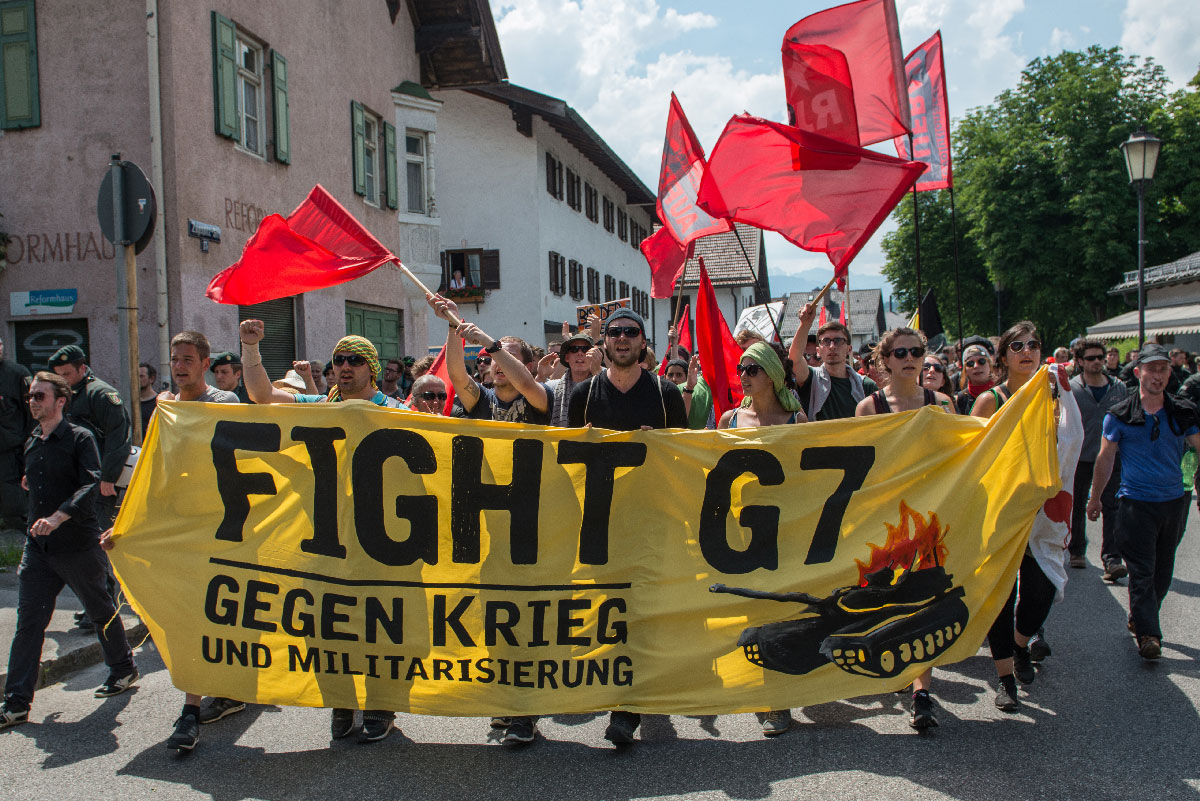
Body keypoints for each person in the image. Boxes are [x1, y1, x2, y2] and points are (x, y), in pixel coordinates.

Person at [240, 320, 406, 744]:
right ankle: (340, 701)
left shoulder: (396, 410)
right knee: (326, 625)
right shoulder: (319, 403)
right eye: (338, 360)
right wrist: (251, 347)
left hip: (379, 538)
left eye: (353, 360)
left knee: (380, 624)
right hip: (326, 535)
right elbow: (262, 396)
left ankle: (381, 704)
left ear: (370, 367)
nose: (344, 367)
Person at [567, 308, 686, 746]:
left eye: (630, 333)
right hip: (599, 519)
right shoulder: (583, 394)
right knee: (608, 610)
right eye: (615, 332)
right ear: (606, 342)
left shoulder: (666, 393)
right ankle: (623, 691)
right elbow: (568, 458)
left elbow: (685, 459)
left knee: (642, 611)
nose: (621, 338)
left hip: (652, 520)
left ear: (642, 342)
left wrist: (658, 446)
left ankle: (629, 705)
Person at [1, 371, 138, 732]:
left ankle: (123, 668)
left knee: (100, 612)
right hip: (38, 550)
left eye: (40, 397)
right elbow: (34, 482)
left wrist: (60, 515)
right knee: (29, 624)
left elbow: (91, 482)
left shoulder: (80, 437)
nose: (33, 402)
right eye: (31, 396)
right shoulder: (33, 441)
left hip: (77, 544)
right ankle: (16, 704)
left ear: (60, 401)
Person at [856, 328, 952, 730]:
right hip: (887, 521)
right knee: (889, 601)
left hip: (931, 516)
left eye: (916, 352)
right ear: (885, 360)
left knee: (925, 602)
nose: (910, 358)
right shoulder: (869, 408)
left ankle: (921, 693)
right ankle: (899, 664)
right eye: (900, 353)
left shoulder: (943, 403)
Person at [1088, 343, 1200, 660]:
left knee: (1163, 573)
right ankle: (1149, 635)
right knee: (1142, 572)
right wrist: (1095, 498)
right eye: (1151, 369)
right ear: (1138, 372)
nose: (1158, 375)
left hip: (1174, 503)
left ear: (1169, 373)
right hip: (1135, 504)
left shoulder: (1183, 411)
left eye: (1163, 369)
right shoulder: (1121, 414)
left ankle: (1141, 616)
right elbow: (1105, 459)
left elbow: (1198, 449)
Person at [719, 343, 806, 736]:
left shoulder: (796, 419)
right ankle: (769, 694)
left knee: (783, 609)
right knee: (755, 610)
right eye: (741, 368)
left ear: (771, 373)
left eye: (752, 368)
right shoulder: (730, 417)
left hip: (788, 527)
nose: (744, 375)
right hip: (743, 531)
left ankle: (779, 697)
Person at [972, 322, 1058, 710]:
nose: (1027, 351)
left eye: (1034, 345)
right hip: (1002, 510)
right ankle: (1005, 677)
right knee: (1001, 596)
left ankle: (1022, 644)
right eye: (1018, 346)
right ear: (1003, 357)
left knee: (1042, 590)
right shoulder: (991, 399)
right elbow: (972, 460)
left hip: (1043, 513)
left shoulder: (1054, 393)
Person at [48, 345, 130, 631]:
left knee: (96, 546)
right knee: (81, 546)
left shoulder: (101, 394)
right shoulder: (61, 396)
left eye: (67, 374)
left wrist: (107, 477)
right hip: (72, 483)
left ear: (82, 369)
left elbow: (118, 438)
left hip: (97, 484)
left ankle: (102, 608)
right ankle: (95, 606)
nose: (63, 379)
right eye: (58, 375)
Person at [427, 296, 551, 428]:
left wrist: (490, 345)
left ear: (528, 366)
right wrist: (453, 322)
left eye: (509, 356)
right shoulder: (482, 399)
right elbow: (457, 375)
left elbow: (525, 384)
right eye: (495, 358)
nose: (499, 362)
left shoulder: (539, 395)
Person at [1069, 339, 1128, 576]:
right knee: (1077, 503)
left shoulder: (1119, 387)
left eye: (1100, 358)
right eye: (1091, 358)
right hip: (1080, 456)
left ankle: (1112, 559)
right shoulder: (1071, 388)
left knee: (1113, 506)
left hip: (1112, 456)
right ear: (1080, 361)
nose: (1097, 362)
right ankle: (1076, 550)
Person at [787, 300, 867, 421]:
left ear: (849, 349)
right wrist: (805, 324)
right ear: (818, 351)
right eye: (826, 341)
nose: (832, 346)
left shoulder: (865, 384)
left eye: (838, 341)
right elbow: (794, 360)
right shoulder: (811, 378)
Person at [0, 334, 32, 530]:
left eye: (1, 344)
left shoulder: (17, 373)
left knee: (15, 507)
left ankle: (30, 542)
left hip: (11, 451)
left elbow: (31, 413)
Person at [546, 331, 602, 427]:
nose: (580, 353)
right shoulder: (552, 388)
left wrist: (598, 372)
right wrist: (540, 376)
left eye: (585, 349)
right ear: (567, 357)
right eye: (574, 349)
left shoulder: (606, 380)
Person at [954, 344, 995, 415]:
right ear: (965, 371)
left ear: (990, 365)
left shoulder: (1002, 392)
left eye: (981, 361)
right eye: (970, 363)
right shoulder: (961, 399)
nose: (976, 366)